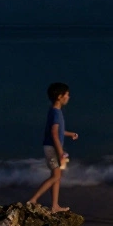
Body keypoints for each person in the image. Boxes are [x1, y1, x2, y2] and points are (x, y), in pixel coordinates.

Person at [27, 82, 79, 213]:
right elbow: (54, 133)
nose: (69, 97)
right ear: (59, 96)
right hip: (52, 148)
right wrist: (61, 153)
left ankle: (55, 206)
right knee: (55, 176)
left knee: (57, 176)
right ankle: (33, 199)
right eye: (67, 94)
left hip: (52, 147)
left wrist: (69, 134)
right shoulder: (56, 113)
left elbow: (59, 131)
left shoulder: (55, 111)